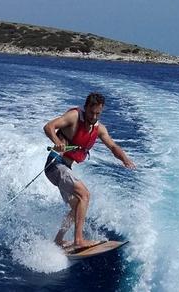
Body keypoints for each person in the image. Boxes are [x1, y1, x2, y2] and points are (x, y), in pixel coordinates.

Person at [43, 92, 136, 249]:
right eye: (91, 112)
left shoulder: (99, 129)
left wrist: (124, 159)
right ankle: (78, 240)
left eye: (98, 113)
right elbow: (48, 127)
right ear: (86, 108)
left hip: (65, 167)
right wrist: (57, 142)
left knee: (78, 205)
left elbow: (112, 146)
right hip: (55, 164)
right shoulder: (74, 116)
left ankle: (58, 240)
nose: (94, 116)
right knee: (85, 195)